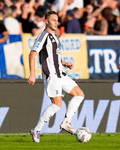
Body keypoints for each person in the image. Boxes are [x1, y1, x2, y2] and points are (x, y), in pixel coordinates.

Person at [28, 11, 84, 143]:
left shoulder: (55, 37)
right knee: (57, 105)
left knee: (79, 94)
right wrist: (32, 74)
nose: (56, 22)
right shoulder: (43, 36)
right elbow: (32, 53)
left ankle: (66, 122)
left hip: (61, 73)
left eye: (57, 20)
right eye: (53, 20)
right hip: (51, 75)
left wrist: (64, 63)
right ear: (46, 21)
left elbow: (55, 56)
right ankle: (37, 129)